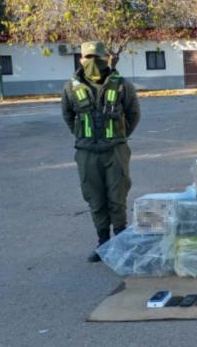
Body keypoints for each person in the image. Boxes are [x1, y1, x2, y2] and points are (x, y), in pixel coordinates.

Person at [61, 42, 140, 262]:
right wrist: (85, 138)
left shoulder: (122, 85)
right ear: (80, 60)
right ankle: (103, 243)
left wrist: (118, 136)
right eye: (88, 56)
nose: (92, 61)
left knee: (117, 196)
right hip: (86, 152)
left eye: (97, 56)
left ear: (107, 58)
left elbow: (133, 115)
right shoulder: (71, 87)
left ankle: (121, 242)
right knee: (95, 198)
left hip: (115, 150)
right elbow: (68, 116)